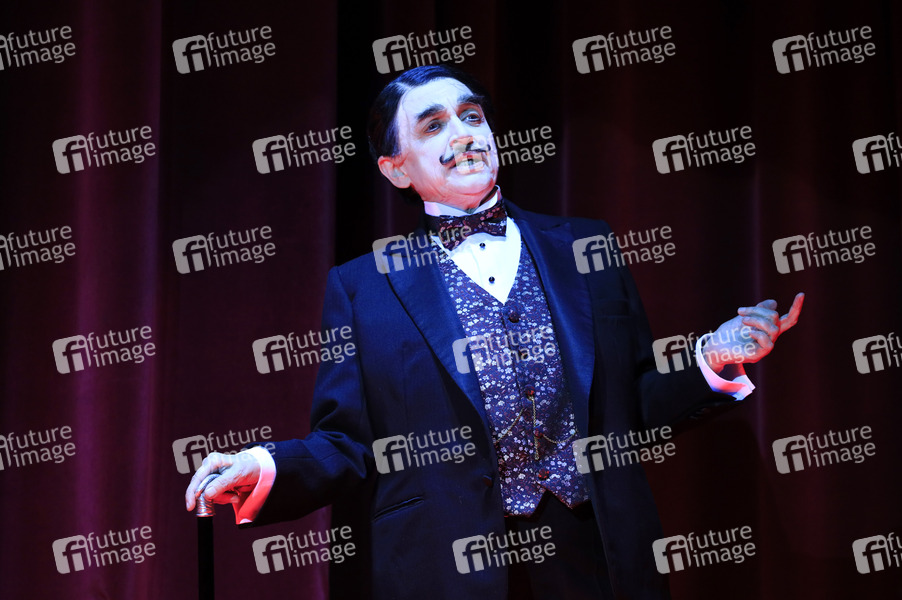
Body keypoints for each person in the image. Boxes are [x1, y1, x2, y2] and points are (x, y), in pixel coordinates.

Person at [185, 64, 803, 599]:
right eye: (433, 126)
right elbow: (346, 442)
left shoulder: (585, 246)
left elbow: (630, 404)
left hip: (595, 556)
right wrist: (262, 465)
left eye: (471, 116)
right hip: (447, 566)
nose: (463, 134)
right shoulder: (361, 287)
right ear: (395, 169)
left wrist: (711, 360)